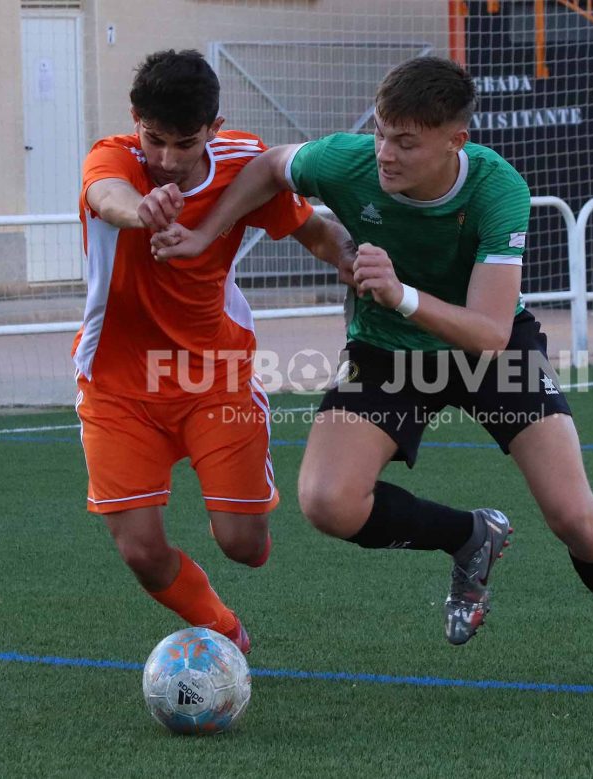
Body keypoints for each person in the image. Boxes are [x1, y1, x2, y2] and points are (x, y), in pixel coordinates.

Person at [151, 57, 593, 689]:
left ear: (456, 140)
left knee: (574, 516)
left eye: (406, 142)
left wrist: (400, 294)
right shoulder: (348, 161)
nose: (386, 153)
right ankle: (470, 536)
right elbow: (271, 167)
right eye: (381, 133)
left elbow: (489, 333)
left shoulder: (498, 189)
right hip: (388, 352)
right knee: (327, 502)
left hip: (491, 351)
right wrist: (202, 235)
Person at [75, 49, 353, 654]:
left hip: (216, 376)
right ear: (136, 120)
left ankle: (237, 510)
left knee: (244, 546)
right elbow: (106, 196)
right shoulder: (113, 158)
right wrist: (142, 210)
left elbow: (314, 231)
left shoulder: (243, 166)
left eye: (185, 143)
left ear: (214, 129)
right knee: (141, 551)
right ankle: (226, 633)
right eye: (154, 139)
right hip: (119, 385)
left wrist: (353, 261)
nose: (167, 160)